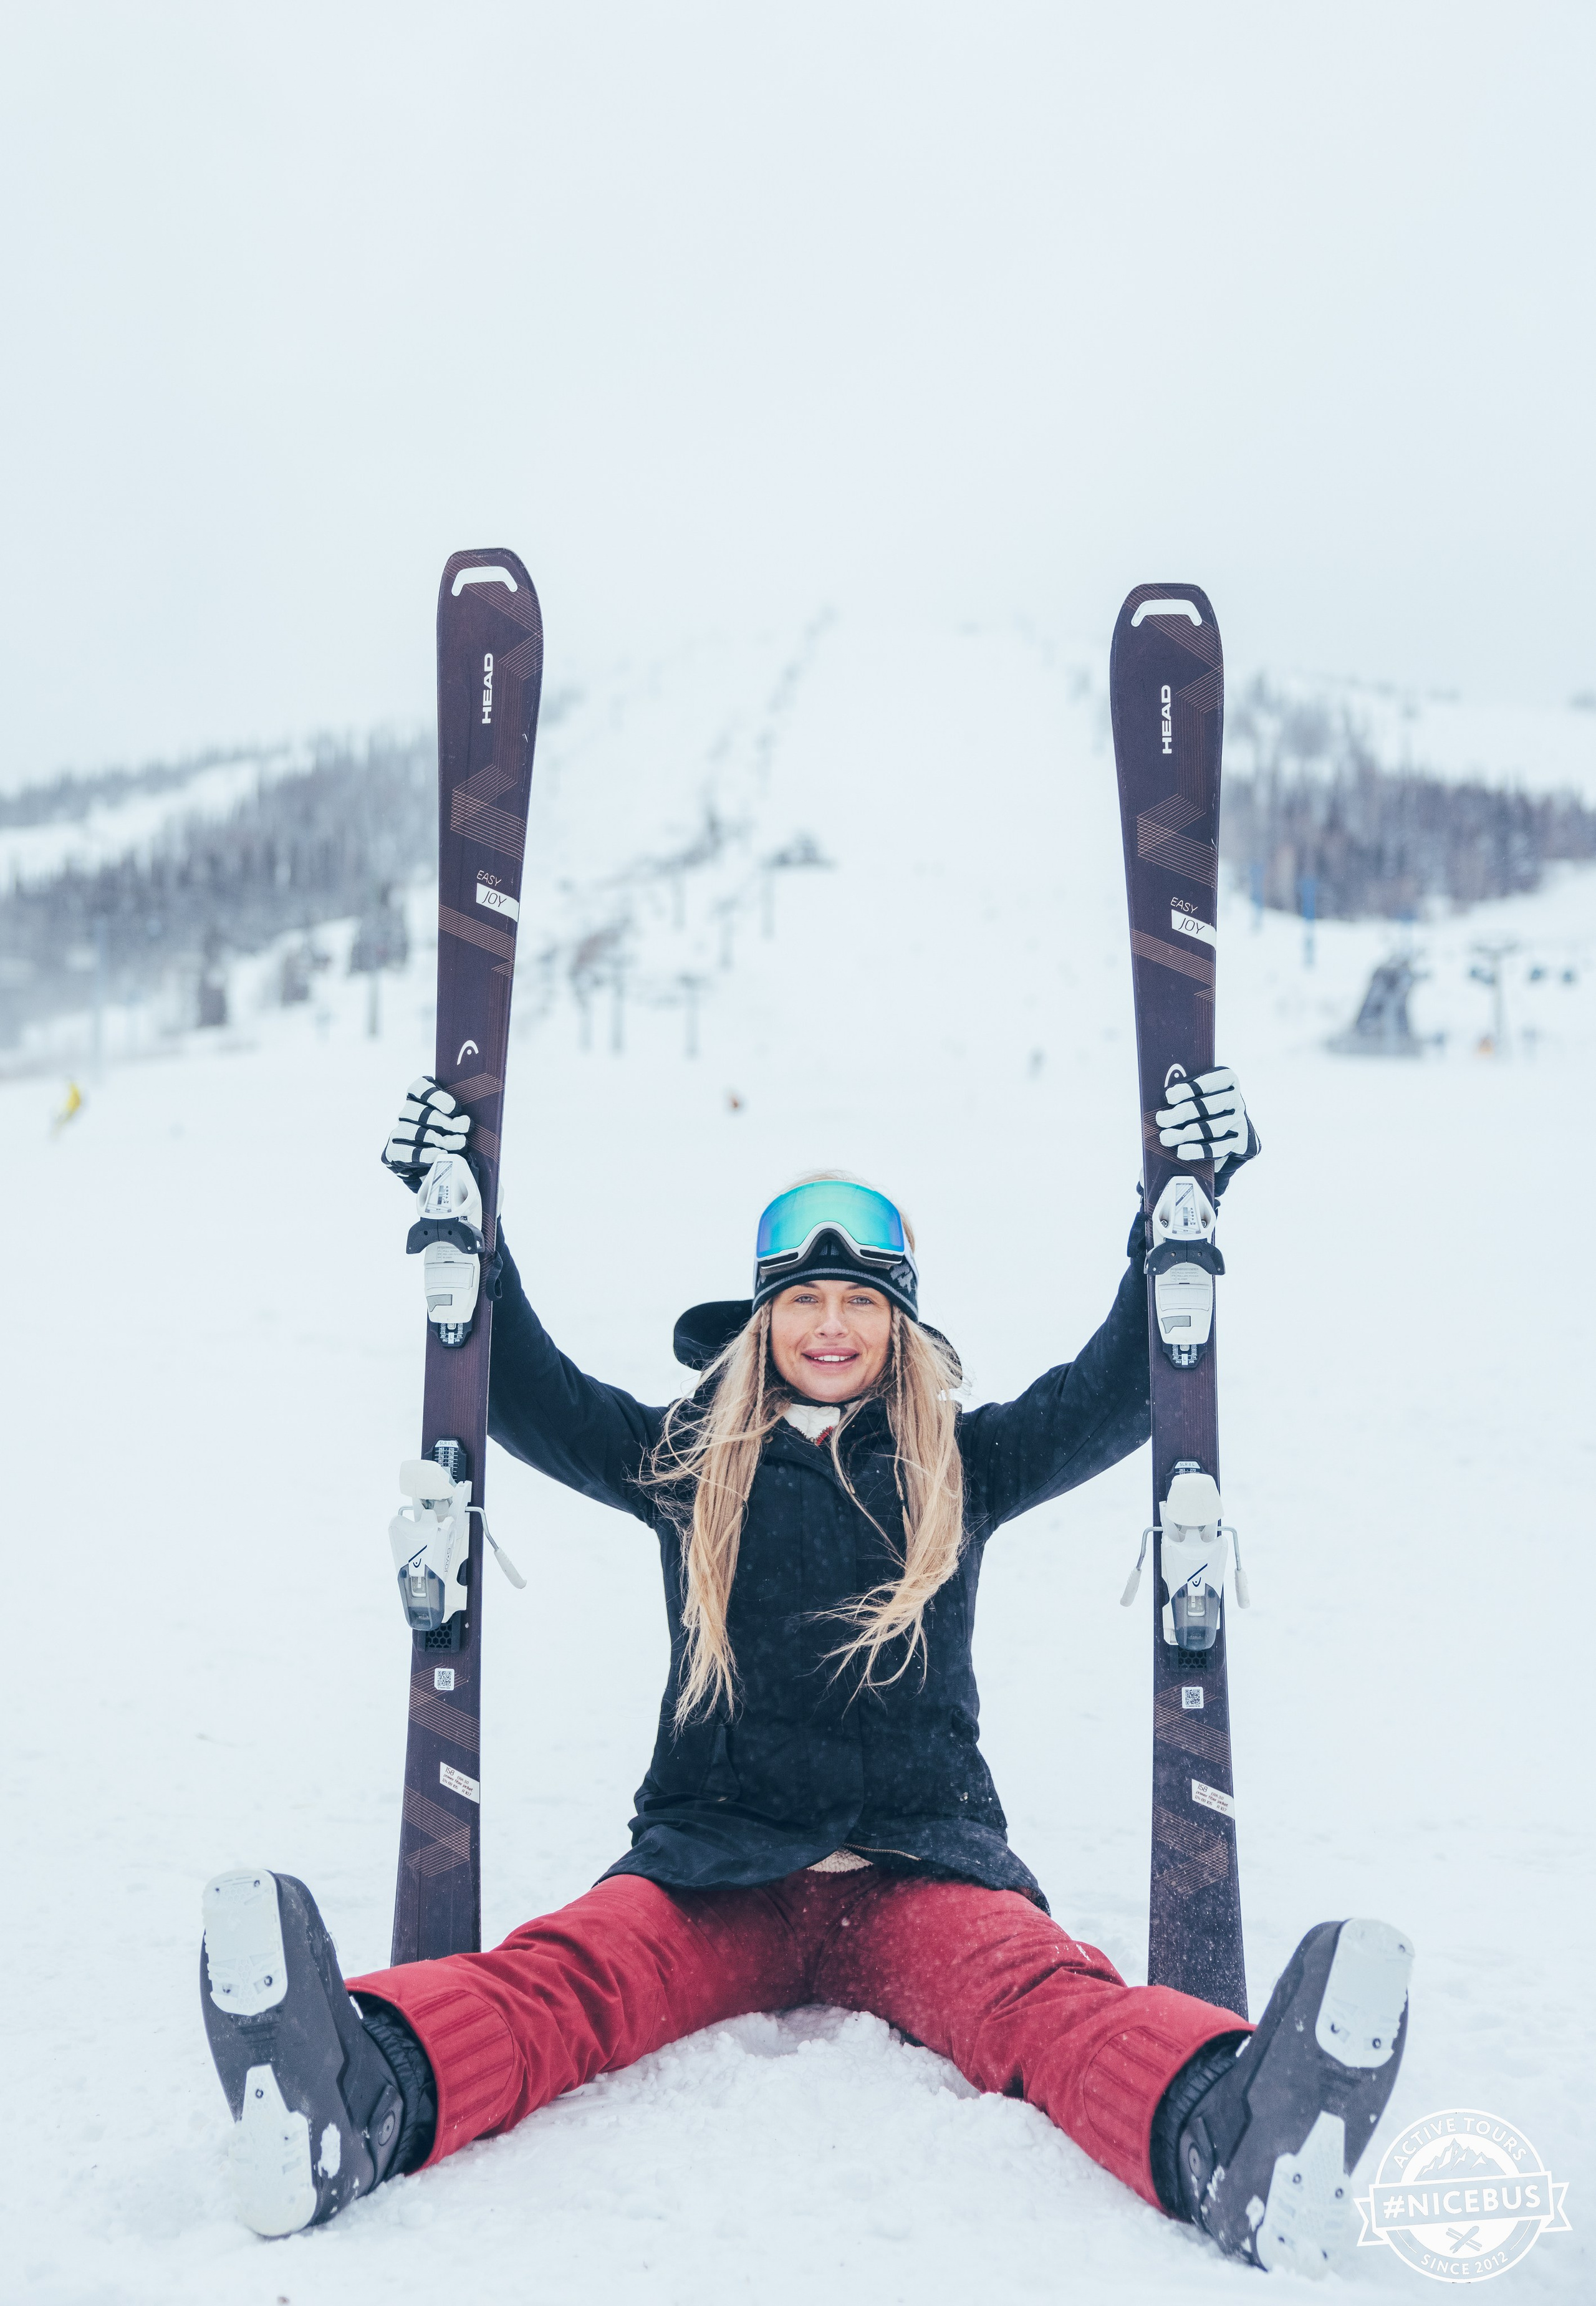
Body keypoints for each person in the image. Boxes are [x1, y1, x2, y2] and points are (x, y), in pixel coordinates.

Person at [200, 1069, 1411, 2273]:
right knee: (566, 1980)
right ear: (762, 1318)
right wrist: (468, 1234)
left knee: (1043, 1999)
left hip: (919, 1868)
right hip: (710, 1863)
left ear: (898, 1325)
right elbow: (532, 1395)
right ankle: (347, 2095)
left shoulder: (960, 1464)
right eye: (805, 1298)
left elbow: (1114, 1389)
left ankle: (1231, 2135)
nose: (831, 1321)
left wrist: (1173, 1215)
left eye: (859, 1300)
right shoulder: (685, 1461)